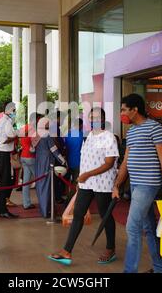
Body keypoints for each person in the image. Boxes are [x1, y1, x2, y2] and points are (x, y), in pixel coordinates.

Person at [112, 93, 162, 273]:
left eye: (123, 109)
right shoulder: (131, 131)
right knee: (148, 227)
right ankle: (160, 269)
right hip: (135, 184)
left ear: (135, 110)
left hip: (148, 184)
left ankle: (129, 271)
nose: (121, 113)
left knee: (132, 228)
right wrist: (117, 184)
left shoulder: (154, 128)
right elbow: (125, 161)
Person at [49, 107, 119, 265]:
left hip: (102, 183)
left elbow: (109, 163)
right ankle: (66, 250)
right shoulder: (89, 137)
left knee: (104, 214)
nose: (94, 120)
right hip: (86, 182)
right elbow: (85, 161)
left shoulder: (109, 137)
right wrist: (81, 179)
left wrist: (87, 175)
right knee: (78, 213)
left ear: (103, 119)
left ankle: (110, 248)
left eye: (97, 117)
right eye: (91, 117)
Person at [35, 117, 67, 218]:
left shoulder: (36, 135)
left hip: (39, 162)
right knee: (47, 186)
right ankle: (46, 211)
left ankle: (43, 209)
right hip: (47, 163)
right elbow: (54, 150)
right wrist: (63, 161)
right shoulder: (47, 135)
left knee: (40, 186)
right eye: (48, 123)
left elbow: (32, 150)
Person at [0, 102, 19, 218]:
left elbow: (9, 137)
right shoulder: (7, 121)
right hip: (2, 153)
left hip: (2, 152)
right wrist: (17, 133)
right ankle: (2, 209)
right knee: (5, 181)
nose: (15, 112)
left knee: (5, 179)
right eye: (14, 110)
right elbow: (11, 135)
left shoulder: (3, 120)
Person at [19, 113, 41, 210]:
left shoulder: (24, 128)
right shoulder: (33, 130)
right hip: (31, 157)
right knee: (40, 180)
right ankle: (43, 202)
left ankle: (26, 203)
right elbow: (35, 144)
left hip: (23, 156)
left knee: (26, 182)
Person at [64, 118, 84, 185]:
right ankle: (73, 195)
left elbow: (65, 148)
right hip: (79, 161)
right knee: (76, 181)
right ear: (81, 125)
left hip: (68, 160)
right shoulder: (82, 135)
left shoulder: (67, 135)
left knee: (66, 181)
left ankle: (68, 195)